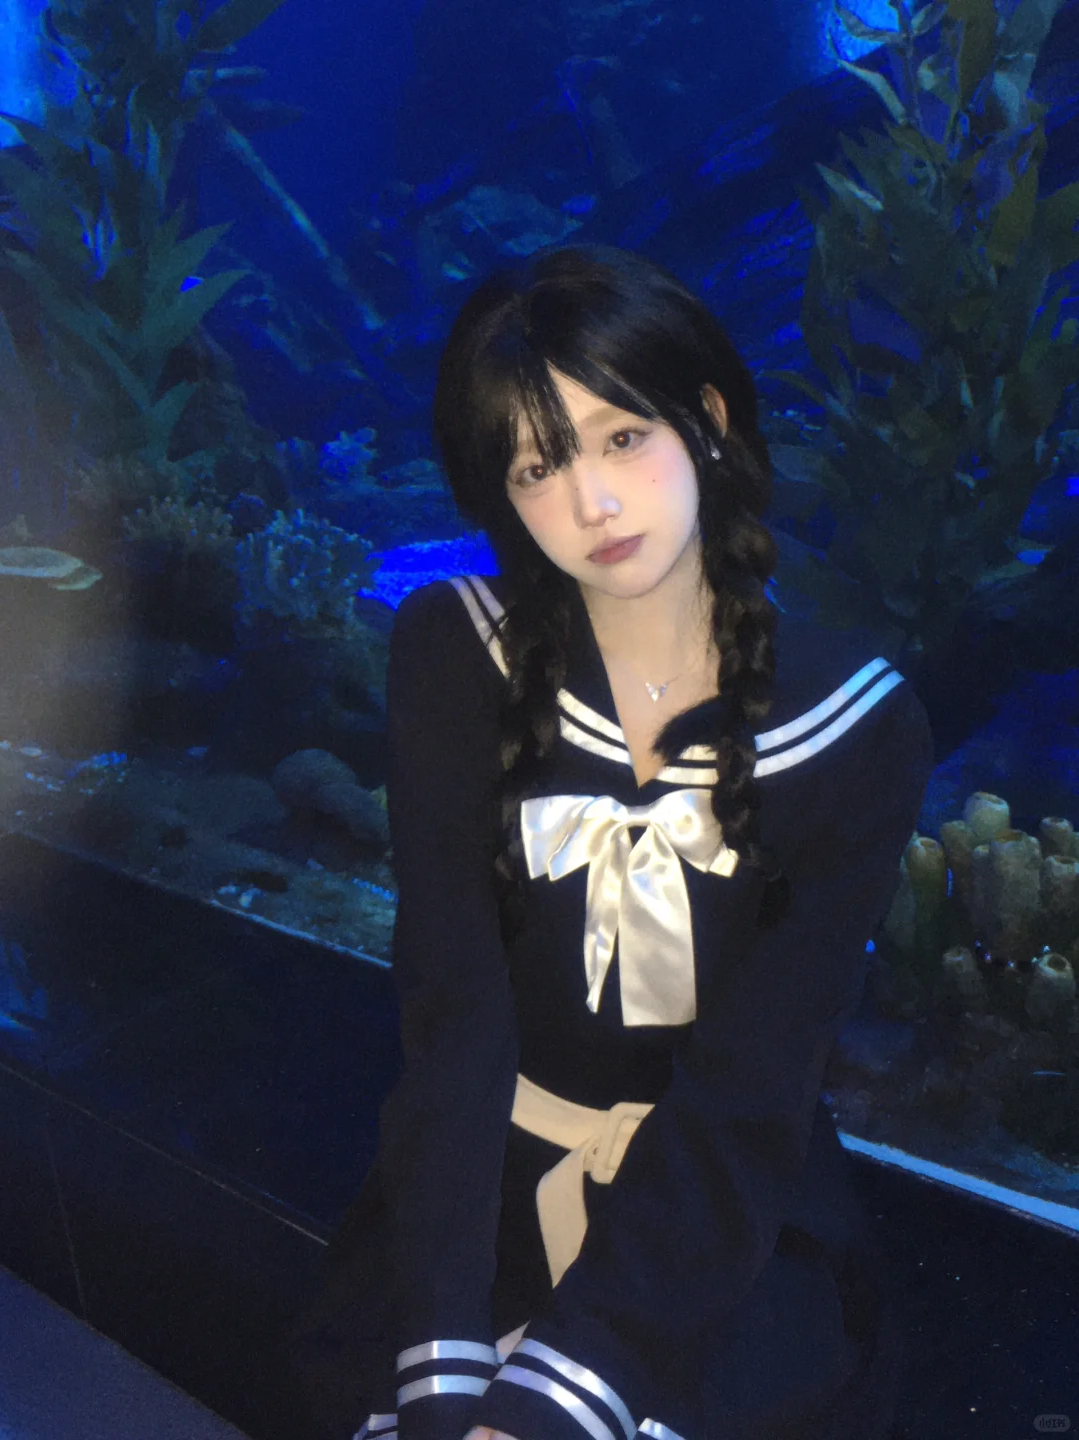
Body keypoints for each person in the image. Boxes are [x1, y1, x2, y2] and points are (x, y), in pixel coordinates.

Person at [291, 244, 935, 1440]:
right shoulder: (453, 652)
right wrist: (452, 1350)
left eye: (622, 438)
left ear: (709, 419)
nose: (592, 504)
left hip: (724, 1211)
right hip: (478, 1182)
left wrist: (568, 1383)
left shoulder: (859, 727)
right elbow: (453, 1018)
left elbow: (755, 1081)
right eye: (539, 466)